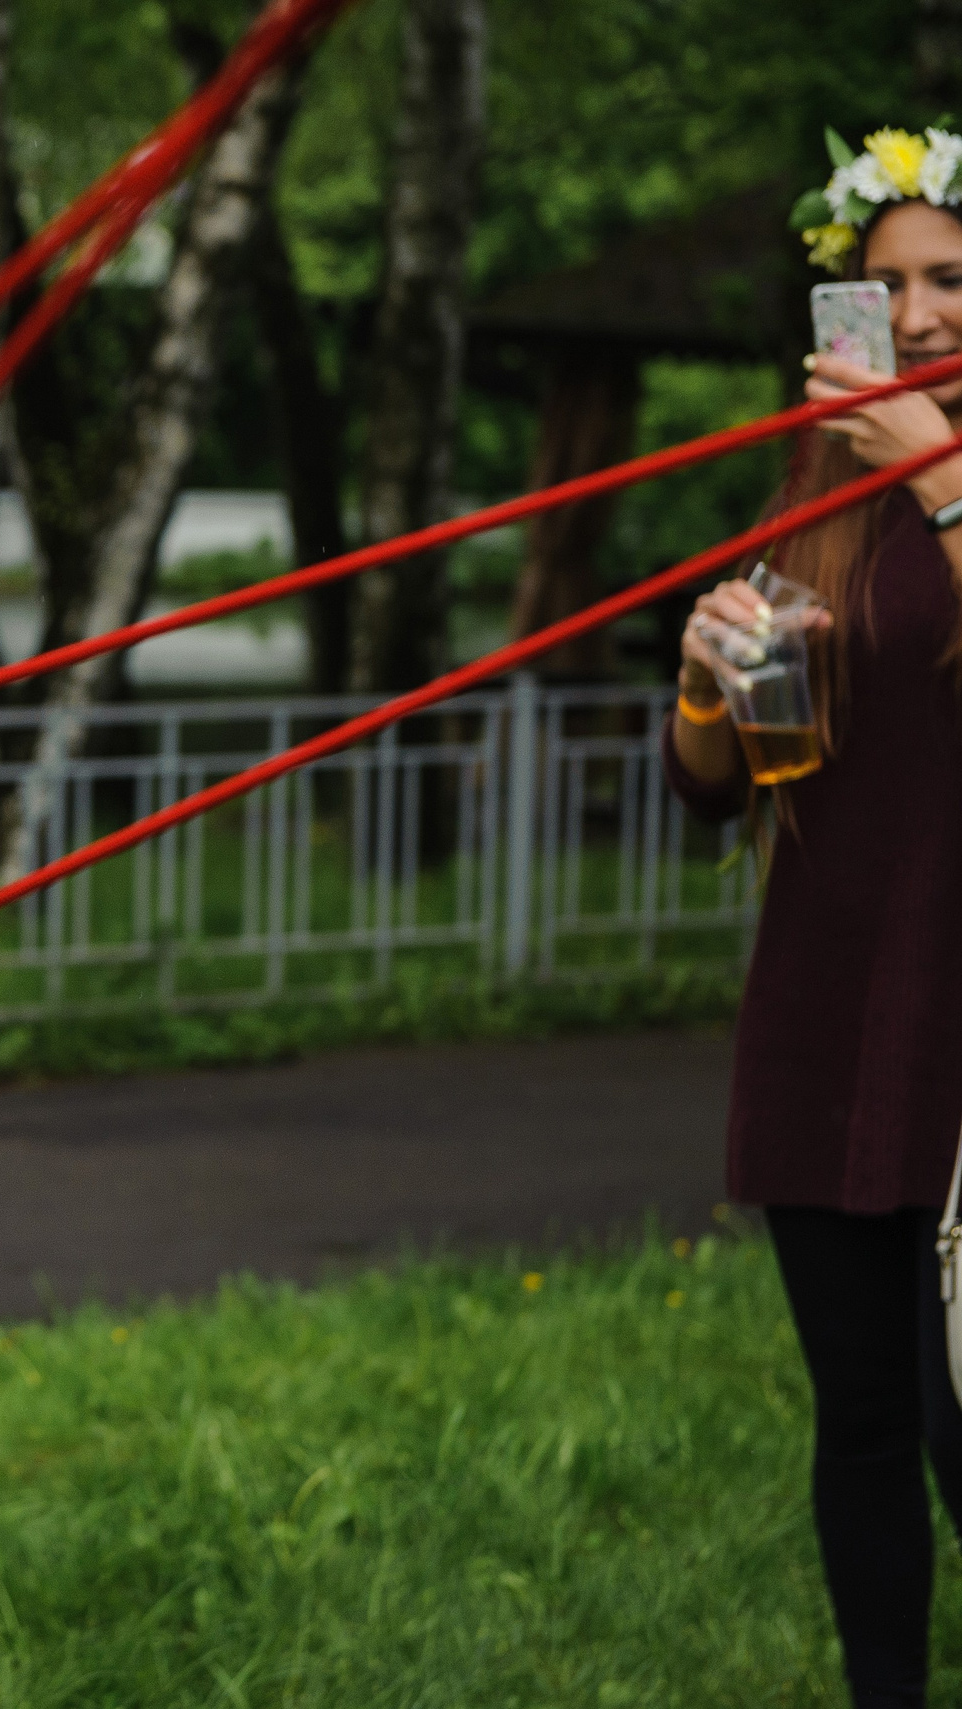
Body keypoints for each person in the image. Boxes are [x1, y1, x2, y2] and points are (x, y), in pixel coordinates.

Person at [667, 127, 962, 1709]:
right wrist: (710, 680)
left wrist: (933, 464)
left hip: (957, 1017)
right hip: (831, 1009)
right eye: (885, 286)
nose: (914, 318)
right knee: (859, 1424)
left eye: (949, 282)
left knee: (954, 1418)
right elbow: (721, 780)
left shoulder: (924, 465)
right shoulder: (817, 487)